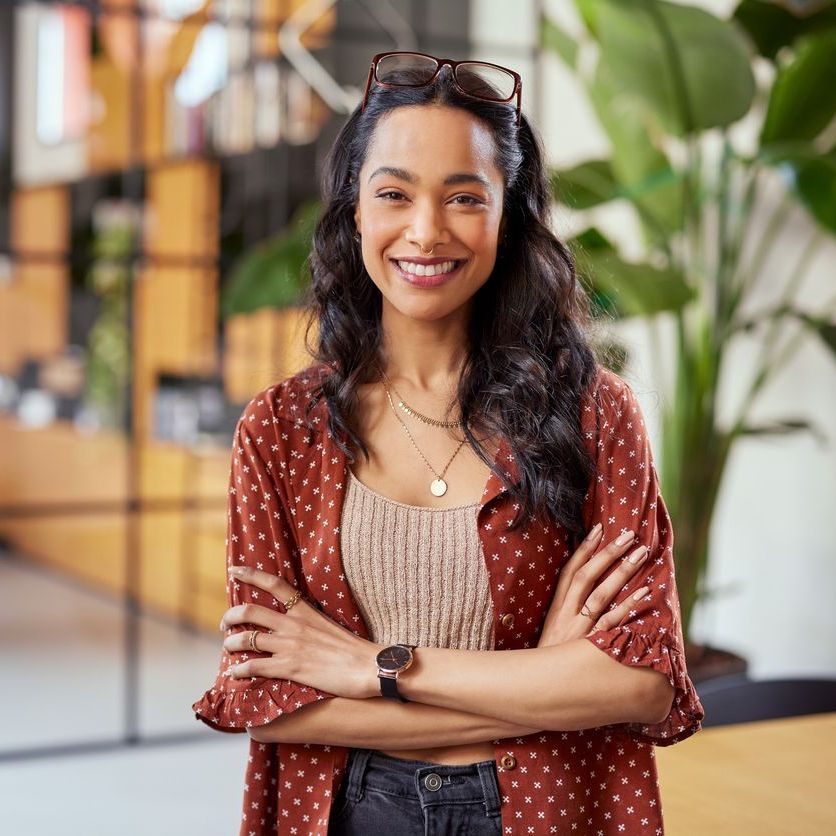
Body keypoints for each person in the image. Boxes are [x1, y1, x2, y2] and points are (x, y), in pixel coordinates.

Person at [192, 51, 704, 836]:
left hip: (549, 809)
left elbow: (641, 684)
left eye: (464, 197)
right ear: (356, 211)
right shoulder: (281, 431)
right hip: (348, 809)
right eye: (393, 193)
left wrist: (372, 668)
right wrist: (543, 684)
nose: (425, 231)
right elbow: (267, 705)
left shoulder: (596, 414)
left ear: (509, 214)